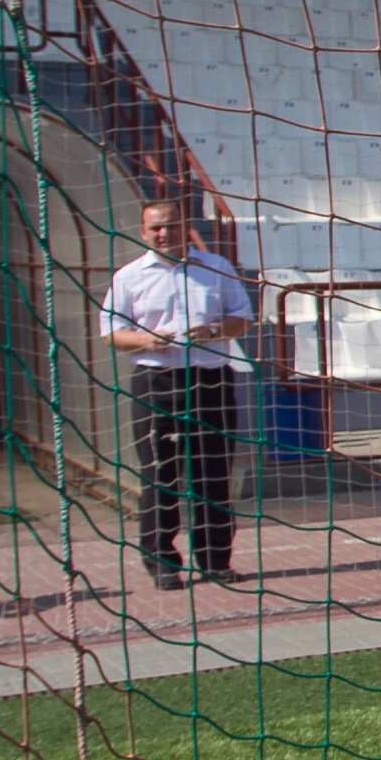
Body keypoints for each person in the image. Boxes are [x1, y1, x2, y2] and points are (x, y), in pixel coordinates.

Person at [100, 197, 252, 589]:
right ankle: (162, 563)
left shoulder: (216, 267)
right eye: (156, 228)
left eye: (171, 225)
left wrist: (214, 331)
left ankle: (216, 561)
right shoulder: (128, 277)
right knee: (160, 476)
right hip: (157, 384)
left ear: (185, 227)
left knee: (213, 474)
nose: (164, 234)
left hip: (211, 380)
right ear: (143, 232)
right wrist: (145, 340)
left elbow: (243, 318)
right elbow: (111, 332)